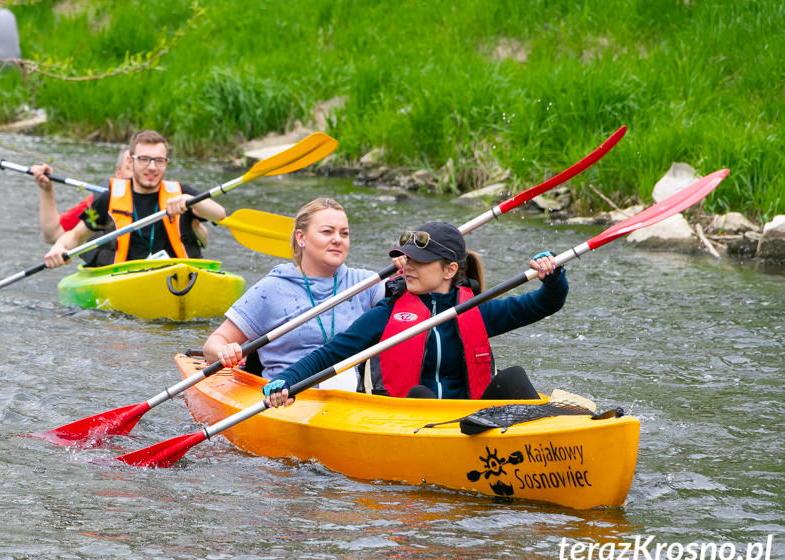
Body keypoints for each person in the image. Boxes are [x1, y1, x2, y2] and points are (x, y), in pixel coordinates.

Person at [262, 221, 569, 407]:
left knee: (514, 378)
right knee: (420, 394)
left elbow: (544, 303)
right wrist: (286, 380)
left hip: (469, 421)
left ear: (449, 269)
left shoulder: (478, 309)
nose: (408, 266)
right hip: (406, 420)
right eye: (407, 259)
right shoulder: (386, 314)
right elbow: (329, 355)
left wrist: (553, 276)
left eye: (419, 262)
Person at [202, 198, 389, 389]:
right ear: (301, 238)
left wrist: (407, 266)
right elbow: (212, 346)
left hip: (349, 401)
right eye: (327, 231)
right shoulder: (272, 288)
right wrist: (225, 351)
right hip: (284, 399)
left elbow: (413, 295)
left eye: (344, 233)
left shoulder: (367, 284)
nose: (337, 239)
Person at [43, 129, 224, 268]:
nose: (152, 167)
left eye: (159, 160)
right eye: (145, 159)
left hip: (179, 275)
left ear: (166, 163)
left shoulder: (181, 192)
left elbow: (219, 214)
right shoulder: (108, 198)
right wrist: (59, 247)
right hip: (125, 278)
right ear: (131, 161)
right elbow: (75, 236)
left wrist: (190, 200)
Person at [32, 149, 210, 248]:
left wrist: (195, 227)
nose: (145, 171)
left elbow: (205, 238)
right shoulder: (103, 200)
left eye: (152, 163)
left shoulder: (175, 196)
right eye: (132, 166)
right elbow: (53, 235)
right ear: (118, 174)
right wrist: (46, 190)